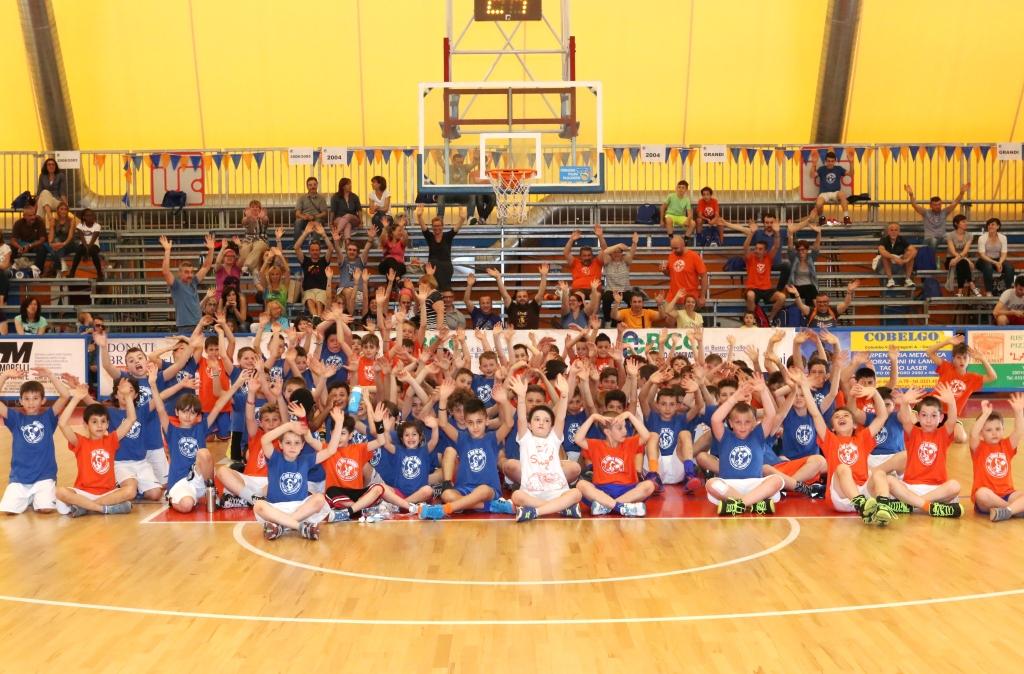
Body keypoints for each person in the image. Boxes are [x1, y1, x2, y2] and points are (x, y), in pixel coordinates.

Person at [793, 372, 894, 525]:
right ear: (832, 427)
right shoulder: (830, 439)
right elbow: (815, 414)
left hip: (863, 492)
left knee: (879, 473)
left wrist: (874, 392)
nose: (841, 417)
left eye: (846, 415)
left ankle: (883, 508)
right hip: (841, 497)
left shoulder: (862, 438)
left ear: (855, 425)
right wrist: (804, 387)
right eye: (837, 416)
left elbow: (882, 417)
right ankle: (860, 504)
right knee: (843, 468)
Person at [418, 382, 515, 519]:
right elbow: (443, 424)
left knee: (482, 490)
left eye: (479, 422)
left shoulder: (493, 438)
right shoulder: (462, 438)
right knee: (446, 494)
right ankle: (489, 506)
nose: (475, 427)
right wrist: (443, 399)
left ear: (487, 421)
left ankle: (445, 509)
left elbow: (509, 424)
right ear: (465, 422)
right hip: (464, 489)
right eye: (470, 423)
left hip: (488, 489)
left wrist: (504, 401)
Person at [876, 385, 964, 518]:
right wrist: (905, 402)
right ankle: (928, 506)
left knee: (955, 486)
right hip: (910, 487)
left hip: (935, 489)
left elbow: (952, 421)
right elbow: (905, 419)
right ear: (918, 416)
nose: (928, 420)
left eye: (933, 416)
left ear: (941, 418)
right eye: (924, 415)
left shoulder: (943, 434)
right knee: (888, 480)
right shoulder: (913, 432)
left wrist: (951, 403)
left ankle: (911, 505)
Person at [506, 374, 584, 522]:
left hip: (557, 491)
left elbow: (560, 417)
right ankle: (561, 508)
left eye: (546, 420)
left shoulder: (554, 439)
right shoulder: (525, 439)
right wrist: (521, 397)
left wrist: (564, 395)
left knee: (576, 493)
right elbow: (521, 418)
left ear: (551, 426)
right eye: (537, 419)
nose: (541, 423)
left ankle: (536, 512)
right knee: (516, 496)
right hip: (531, 493)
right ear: (529, 425)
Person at [54, 383, 136, 518]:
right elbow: (62, 423)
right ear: (85, 425)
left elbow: (131, 419)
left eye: (103, 421)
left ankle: (84, 507)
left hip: (107, 493)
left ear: (107, 424)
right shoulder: (79, 442)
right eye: (94, 422)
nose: (99, 425)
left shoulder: (111, 440)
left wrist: (127, 396)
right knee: (60, 492)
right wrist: (76, 398)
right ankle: (102, 509)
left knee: (130, 491)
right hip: (83, 492)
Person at [707, 374, 784, 516]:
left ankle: (740, 505)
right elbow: (716, 419)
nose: (742, 426)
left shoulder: (758, 435)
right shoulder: (725, 436)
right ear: (731, 423)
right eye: (738, 422)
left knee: (777, 480)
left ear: (754, 422)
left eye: (747, 422)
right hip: (729, 486)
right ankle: (753, 504)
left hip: (755, 485)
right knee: (711, 483)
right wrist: (734, 398)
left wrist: (763, 391)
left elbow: (771, 415)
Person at [0, 368, 71, 515]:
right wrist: (4, 375)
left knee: (45, 509)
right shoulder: (15, 418)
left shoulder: (48, 417)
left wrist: (50, 375)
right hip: (19, 478)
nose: (31, 402)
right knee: (8, 511)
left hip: (44, 476)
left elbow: (65, 396)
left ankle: (37, 497)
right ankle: (29, 498)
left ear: (43, 400)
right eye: (26, 398)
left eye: (35, 398)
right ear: (20, 401)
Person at [253, 415, 331, 541]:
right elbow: (265, 440)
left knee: (319, 499)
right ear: (280, 444)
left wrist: (338, 423)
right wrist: (288, 426)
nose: (292, 447)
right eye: (288, 443)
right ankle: (300, 527)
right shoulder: (274, 458)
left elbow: (330, 451)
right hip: (276, 509)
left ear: (302, 446)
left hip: (300, 509)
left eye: (297, 443)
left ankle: (281, 527)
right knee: (258, 505)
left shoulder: (306, 460)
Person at [971, 395, 1024, 522]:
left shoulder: (1007, 445)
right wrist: (985, 414)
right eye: (989, 430)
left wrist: (1018, 412)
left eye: (998, 429)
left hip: (1008, 494)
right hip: (988, 499)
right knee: (981, 494)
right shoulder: (978, 447)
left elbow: (1019, 431)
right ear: (981, 434)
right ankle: (1012, 510)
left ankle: (1005, 511)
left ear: (1003, 429)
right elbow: (973, 434)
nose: (994, 433)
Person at [160, 234, 215, 334]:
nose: (190, 274)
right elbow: (165, 272)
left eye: (191, 272)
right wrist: (167, 251)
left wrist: (211, 249)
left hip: (199, 324)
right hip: (185, 326)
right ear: (180, 273)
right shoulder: (176, 285)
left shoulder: (193, 282)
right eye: (186, 272)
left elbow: (206, 267)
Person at [905, 182, 969, 262]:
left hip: (942, 237)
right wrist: (911, 195)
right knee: (933, 241)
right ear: (930, 205)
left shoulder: (944, 212)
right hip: (930, 238)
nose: (938, 206)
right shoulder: (926, 213)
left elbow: (955, 203)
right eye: (935, 205)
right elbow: (915, 205)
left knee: (954, 237)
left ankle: (958, 260)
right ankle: (931, 261)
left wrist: (961, 193)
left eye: (939, 204)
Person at [742, 223, 785, 323]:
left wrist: (777, 232)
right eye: (756, 248)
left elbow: (776, 246)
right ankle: (753, 320)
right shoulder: (751, 257)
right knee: (750, 295)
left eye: (760, 249)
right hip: (753, 288)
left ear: (765, 251)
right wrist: (751, 233)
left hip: (766, 289)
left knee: (782, 297)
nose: (757, 251)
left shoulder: (768, 258)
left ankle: (770, 319)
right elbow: (745, 247)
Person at [488, 264, 549, 329]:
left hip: (531, 335)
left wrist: (544, 276)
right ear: (516, 299)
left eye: (524, 296)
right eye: (519, 297)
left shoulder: (534, 306)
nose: (522, 298)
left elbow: (541, 293)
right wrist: (498, 278)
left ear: (528, 298)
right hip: (513, 335)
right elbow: (504, 295)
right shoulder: (511, 307)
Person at [294, 223, 334, 317]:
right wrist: (305, 233)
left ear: (320, 251)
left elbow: (331, 248)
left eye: (317, 250)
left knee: (319, 302)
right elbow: (296, 247)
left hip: (322, 290)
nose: (315, 252)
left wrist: (323, 235)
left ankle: (317, 318)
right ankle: (316, 317)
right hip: (308, 290)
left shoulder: (324, 260)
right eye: (312, 250)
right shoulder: (305, 260)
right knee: (309, 300)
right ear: (309, 251)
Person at [600, 230, 639, 325]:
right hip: (611, 290)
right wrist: (618, 245)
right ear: (612, 253)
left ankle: (630, 321)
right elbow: (605, 251)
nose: (617, 254)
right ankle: (608, 322)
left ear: (622, 253)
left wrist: (634, 243)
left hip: (625, 290)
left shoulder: (625, 261)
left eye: (619, 252)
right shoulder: (608, 261)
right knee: (605, 298)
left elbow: (632, 253)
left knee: (633, 299)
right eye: (615, 252)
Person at [419, 212, 464, 291]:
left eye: (439, 225)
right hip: (432, 269)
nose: (437, 228)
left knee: (445, 290)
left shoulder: (448, 236)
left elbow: (456, 229)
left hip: (446, 267)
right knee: (433, 289)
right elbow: (424, 228)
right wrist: (419, 216)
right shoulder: (430, 237)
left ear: (442, 226)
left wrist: (462, 219)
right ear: (432, 227)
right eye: (435, 226)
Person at [786, 281, 859, 329]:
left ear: (828, 302)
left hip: (830, 340)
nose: (822, 304)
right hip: (814, 341)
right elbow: (800, 305)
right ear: (816, 302)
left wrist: (849, 292)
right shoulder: (811, 311)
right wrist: (796, 294)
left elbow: (846, 304)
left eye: (824, 301)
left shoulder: (834, 310)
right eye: (819, 302)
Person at [660, 235, 707, 309]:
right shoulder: (671, 255)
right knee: (666, 315)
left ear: (683, 245)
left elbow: (704, 276)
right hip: (672, 297)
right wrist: (664, 271)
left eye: (676, 248)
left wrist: (702, 296)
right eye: (672, 248)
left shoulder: (694, 256)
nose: (673, 251)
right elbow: (670, 274)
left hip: (688, 299)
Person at [786, 221, 823, 305]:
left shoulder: (810, 259)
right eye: (799, 250)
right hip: (795, 288)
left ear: (807, 250)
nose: (801, 252)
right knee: (810, 290)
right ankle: (811, 310)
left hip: (809, 289)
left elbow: (816, 248)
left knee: (810, 289)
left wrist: (819, 233)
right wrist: (790, 233)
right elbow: (790, 248)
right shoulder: (794, 258)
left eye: (803, 249)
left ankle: (810, 310)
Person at [976, 217, 1015, 296]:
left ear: (998, 226)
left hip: (998, 259)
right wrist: (995, 263)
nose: (990, 226)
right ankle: (989, 292)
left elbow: (1004, 253)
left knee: (1010, 268)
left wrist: (999, 262)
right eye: (989, 225)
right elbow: (982, 255)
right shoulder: (982, 238)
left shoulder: (1003, 238)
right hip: (984, 260)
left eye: (993, 224)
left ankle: (1006, 291)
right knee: (988, 267)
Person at [813, 150, 851, 226]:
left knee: (842, 195)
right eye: (828, 161)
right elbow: (812, 175)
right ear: (825, 161)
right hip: (824, 193)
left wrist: (851, 162)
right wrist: (814, 164)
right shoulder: (822, 169)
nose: (830, 163)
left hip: (835, 192)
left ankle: (846, 218)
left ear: (835, 161)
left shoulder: (838, 168)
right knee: (818, 204)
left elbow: (851, 174)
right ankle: (822, 219)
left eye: (832, 161)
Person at [945, 214, 980, 297]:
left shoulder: (969, 235)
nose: (966, 223)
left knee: (962, 263)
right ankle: (972, 286)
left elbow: (965, 251)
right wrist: (966, 260)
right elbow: (953, 251)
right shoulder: (950, 235)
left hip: (961, 260)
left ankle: (960, 291)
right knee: (963, 262)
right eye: (963, 222)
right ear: (956, 223)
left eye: (966, 221)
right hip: (951, 259)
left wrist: (962, 259)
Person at [11, 200, 49, 273]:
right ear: (24, 216)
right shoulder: (18, 223)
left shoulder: (40, 222)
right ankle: (13, 270)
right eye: (30, 216)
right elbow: (13, 240)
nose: (33, 217)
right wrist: (19, 247)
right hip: (23, 245)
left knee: (42, 248)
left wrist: (30, 246)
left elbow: (42, 239)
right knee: (12, 247)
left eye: (34, 214)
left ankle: (37, 271)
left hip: (35, 245)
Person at [876, 222, 917, 288]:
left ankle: (908, 280)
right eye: (891, 230)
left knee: (909, 254)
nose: (893, 232)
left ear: (898, 232)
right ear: (888, 232)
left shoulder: (902, 239)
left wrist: (906, 260)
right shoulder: (884, 239)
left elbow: (914, 250)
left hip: (898, 265)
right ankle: (890, 280)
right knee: (885, 255)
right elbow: (881, 251)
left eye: (896, 230)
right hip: (883, 267)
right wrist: (894, 258)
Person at [68, 208, 103, 280]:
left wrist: (87, 251)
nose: (90, 217)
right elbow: (82, 238)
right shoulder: (80, 226)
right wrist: (86, 250)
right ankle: (72, 272)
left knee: (93, 251)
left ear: (93, 216)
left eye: (91, 215)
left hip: (94, 245)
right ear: (84, 217)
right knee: (78, 251)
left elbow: (93, 240)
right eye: (87, 215)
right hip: (83, 245)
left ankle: (100, 274)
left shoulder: (97, 226)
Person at [239, 199, 270, 272]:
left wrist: (263, 217)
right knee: (243, 248)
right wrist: (248, 217)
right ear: (249, 209)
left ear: (260, 209)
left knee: (258, 247)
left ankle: (247, 266)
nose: (255, 208)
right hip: (248, 241)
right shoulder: (246, 218)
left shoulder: (264, 217)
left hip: (261, 240)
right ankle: (253, 269)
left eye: (257, 207)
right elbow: (243, 222)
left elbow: (266, 220)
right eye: (252, 207)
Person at [46, 202, 77, 271]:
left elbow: (70, 236)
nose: (63, 211)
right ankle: (60, 265)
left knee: (57, 249)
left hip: (69, 243)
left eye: (65, 209)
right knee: (51, 246)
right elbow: (51, 233)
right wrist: (51, 243)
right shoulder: (54, 220)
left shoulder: (71, 220)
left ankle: (56, 269)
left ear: (67, 211)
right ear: (58, 210)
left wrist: (63, 244)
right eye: (61, 209)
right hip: (57, 242)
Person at [330, 178, 362, 242]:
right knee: (347, 225)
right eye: (348, 184)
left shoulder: (354, 196)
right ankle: (347, 242)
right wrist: (331, 223)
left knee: (348, 216)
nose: (350, 185)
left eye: (350, 184)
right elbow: (333, 210)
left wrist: (361, 222)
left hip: (353, 218)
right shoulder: (336, 196)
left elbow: (359, 210)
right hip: (339, 218)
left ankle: (336, 233)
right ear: (343, 186)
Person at [378, 214, 409, 279]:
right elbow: (382, 239)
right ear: (392, 232)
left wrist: (401, 227)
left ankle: (393, 281)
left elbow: (406, 238)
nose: (400, 233)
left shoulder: (401, 242)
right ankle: (397, 277)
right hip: (385, 265)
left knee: (392, 269)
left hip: (398, 266)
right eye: (399, 231)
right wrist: (385, 228)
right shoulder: (387, 241)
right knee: (390, 260)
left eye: (401, 231)